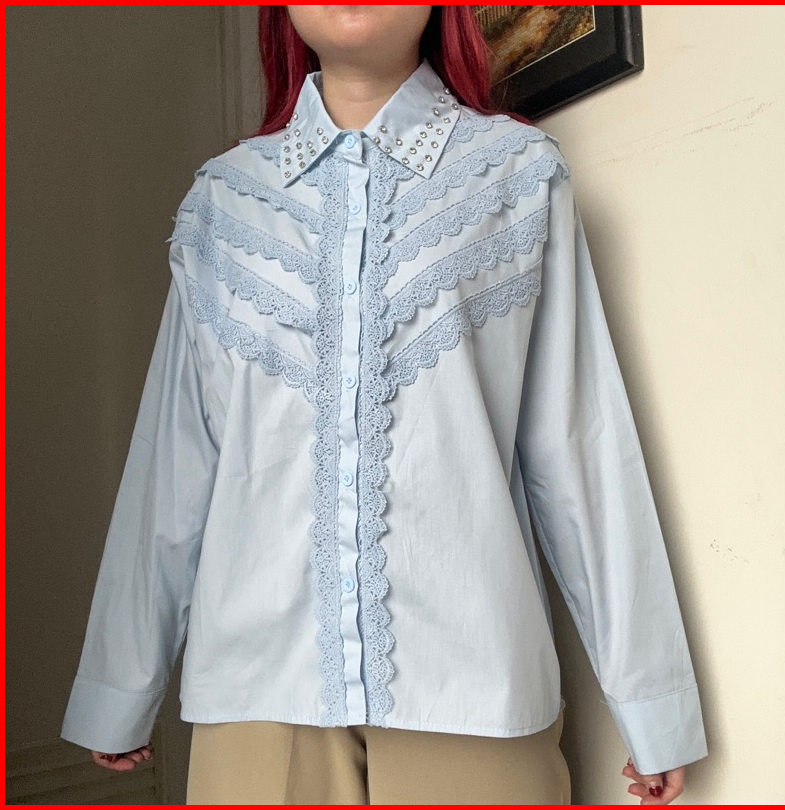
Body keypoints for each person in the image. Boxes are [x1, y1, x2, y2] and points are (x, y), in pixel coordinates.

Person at [60, 5, 709, 805]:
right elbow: (173, 466)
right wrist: (120, 684)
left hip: (475, 687)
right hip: (258, 697)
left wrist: (652, 701)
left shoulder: (517, 176)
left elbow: (580, 448)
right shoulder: (223, 205)